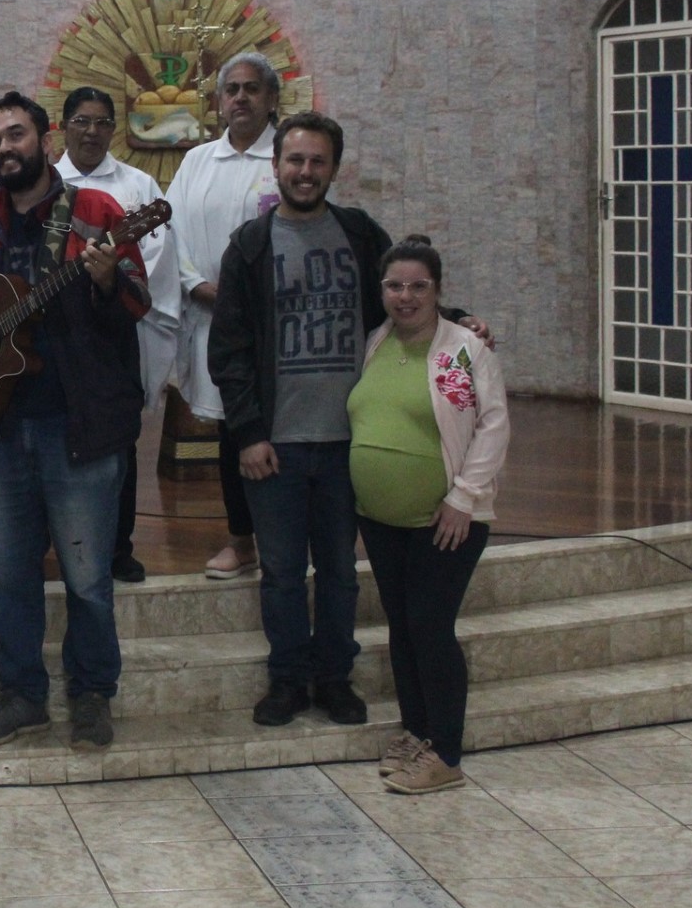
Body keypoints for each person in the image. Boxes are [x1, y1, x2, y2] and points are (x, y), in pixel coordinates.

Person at [207, 111, 487, 729]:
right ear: (276, 165)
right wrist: (248, 433)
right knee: (282, 573)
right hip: (275, 445)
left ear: (334, 168)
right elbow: (228, 350)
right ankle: (287, 680)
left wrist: (459, 320)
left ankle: (334, 677)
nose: (305, 172)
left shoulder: (358, 233)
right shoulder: (250, 246)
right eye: (295, 160)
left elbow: (403, 296)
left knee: (338, 571)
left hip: (349, 444)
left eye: (318, 161)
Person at [0, 92, 149, 752]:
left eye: (16, 134)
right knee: (6, 575)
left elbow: (137, 300)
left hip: (79, 426)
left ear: (45, 140)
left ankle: (92, 693)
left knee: (87, 576)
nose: (5, 147)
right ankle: (22, 693)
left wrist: (105, 280)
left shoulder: (97, 213)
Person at [350, 237, 507, 794]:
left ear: (438, 290)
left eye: (419, 286)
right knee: (403, 628)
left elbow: (492, 425)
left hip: (447, 520)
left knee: (430, 628)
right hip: (381, 519)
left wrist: (464, 497)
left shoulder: (463, 349)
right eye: (395, 285)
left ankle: (446, 752)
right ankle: (416, 733)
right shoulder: (375, 341)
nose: (406, 296)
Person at [53, 86, 178, 584]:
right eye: (81, 121)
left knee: (117, 442)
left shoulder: (138, 185)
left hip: (115, 335)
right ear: (63, 126)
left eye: (102, 122)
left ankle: (119, 547)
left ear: (114, 129)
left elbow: (157, 261)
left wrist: (114, 287)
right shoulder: (45, 184)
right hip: (57, 341)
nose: (91, 131)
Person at [165, 53, 280, 579]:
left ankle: (282, 537)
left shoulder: (287, 156)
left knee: (271, 428)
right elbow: (171, 231)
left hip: (273, 324)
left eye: (251, 89)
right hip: (211, 315)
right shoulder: (198, 161)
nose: (240, 98)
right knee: (234, 432)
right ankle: (241, 539)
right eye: (231, 89)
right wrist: (196, 284)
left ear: (271, 98)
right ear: (219, 101)